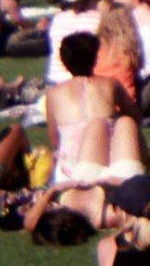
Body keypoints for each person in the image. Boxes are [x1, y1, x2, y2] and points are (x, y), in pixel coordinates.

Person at [44, 32, 143, 188]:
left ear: (63, 61)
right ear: (95, 57)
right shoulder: (111, 85)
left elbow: (56, 140)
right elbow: (136, 117)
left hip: (69, 169)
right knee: (126, 123)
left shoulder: (53, 94)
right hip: (110, 165)